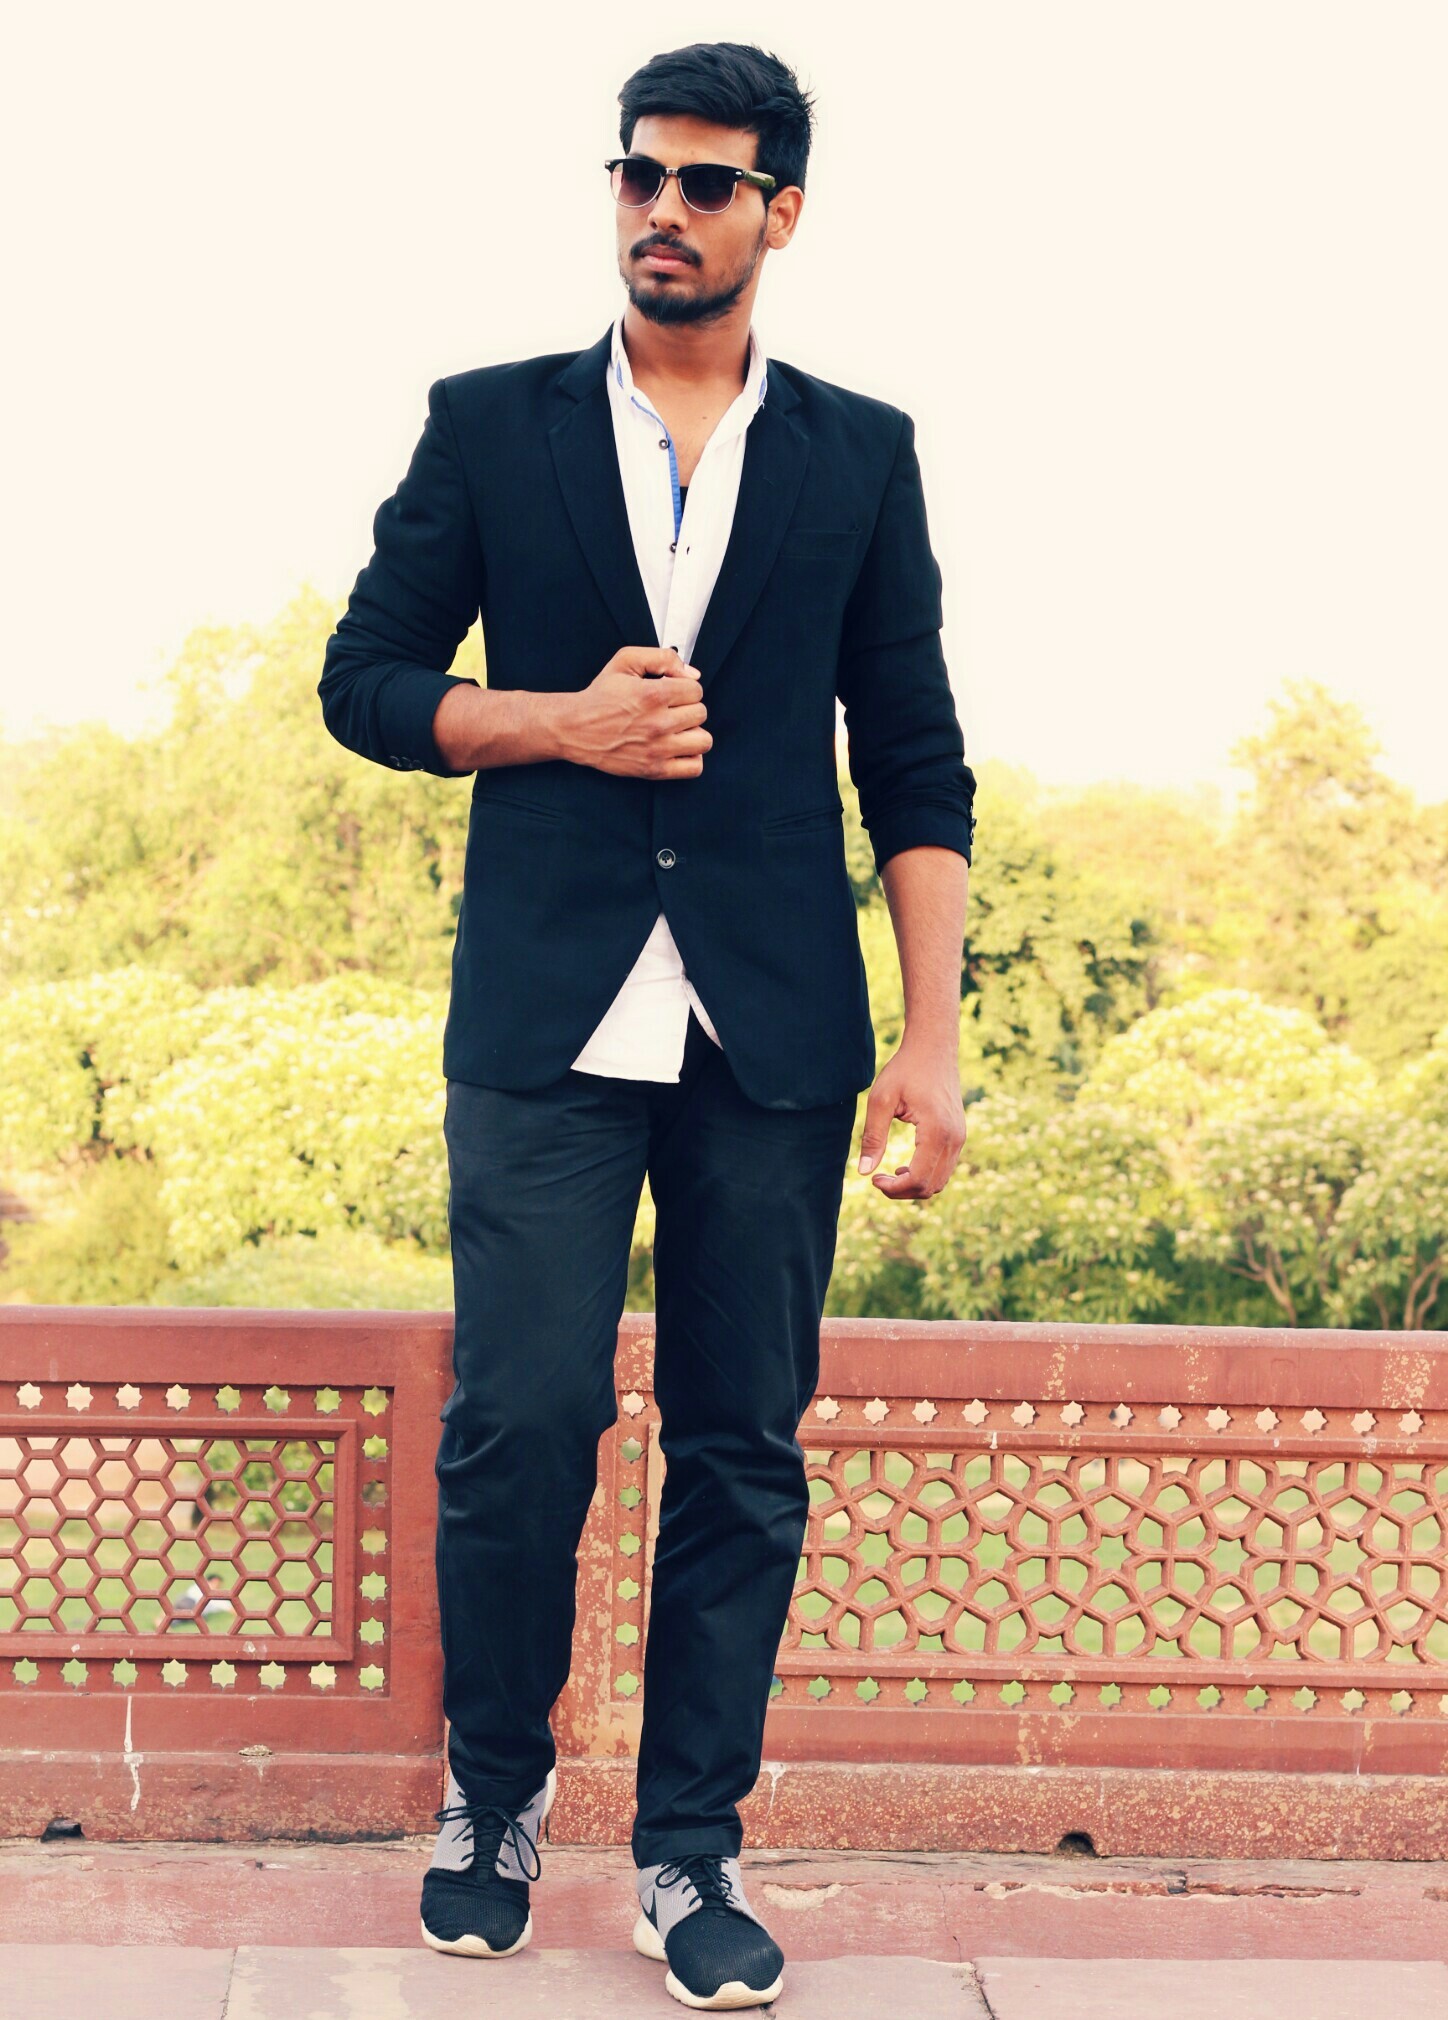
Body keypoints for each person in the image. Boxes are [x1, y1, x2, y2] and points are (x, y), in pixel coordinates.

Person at [318, 39, 976, 2013]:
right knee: (520, 1421)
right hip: (546, 1012)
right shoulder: (489, 423)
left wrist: (931, 1039)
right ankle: (492, 1801)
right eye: (640, 175)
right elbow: (365, 680)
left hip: (772, 1027)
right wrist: (555, 722)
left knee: (740, 1442)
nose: (663, 211)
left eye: (707, 183)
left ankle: (691, 1847)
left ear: (783, 211)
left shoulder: (860, 452)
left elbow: (915, 758)